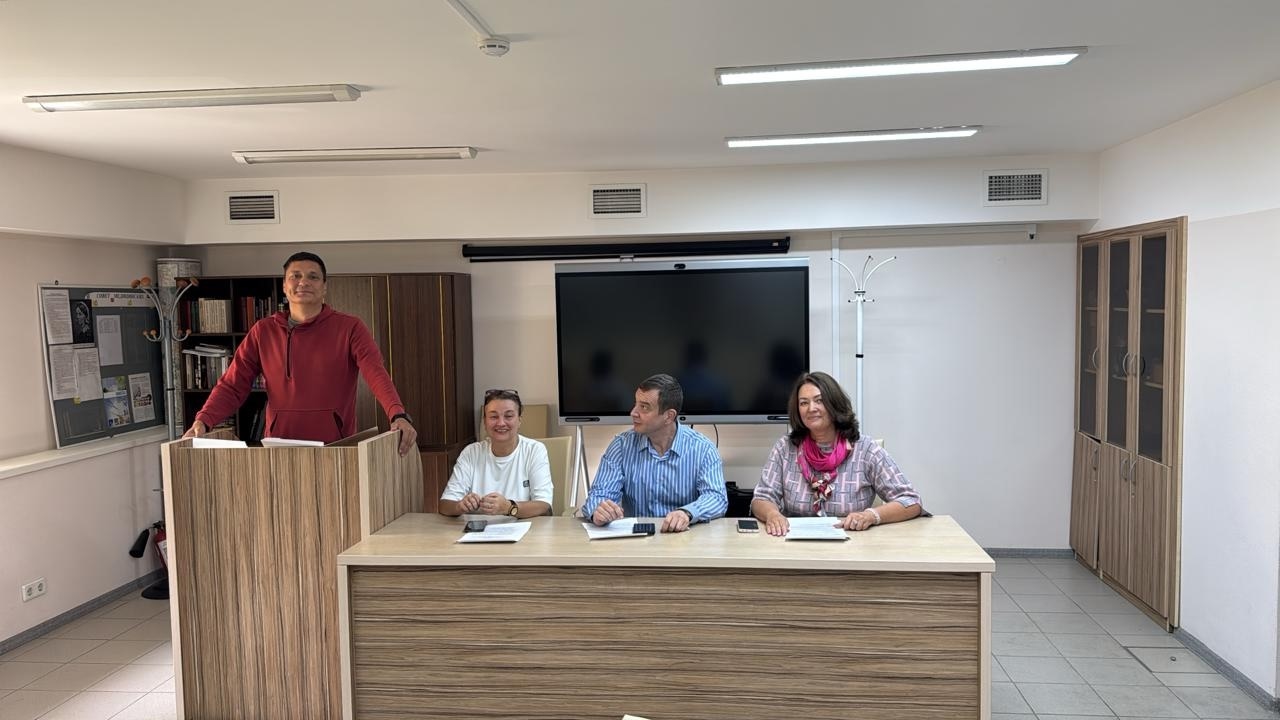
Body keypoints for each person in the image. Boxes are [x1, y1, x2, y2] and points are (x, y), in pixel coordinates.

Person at [182, 251, 417, 454]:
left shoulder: (350, 327)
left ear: (324, 287)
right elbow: (233, 384)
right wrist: (204, 420)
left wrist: (397, 414)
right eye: (295, 276)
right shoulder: (263, 331)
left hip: (337, 448)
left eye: (313, 277)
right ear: (285, 286)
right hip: (279, 448)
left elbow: (375, 372)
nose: (303, 282)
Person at [752, 371, 923, 537]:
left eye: (819, 400)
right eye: (803, 403)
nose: (811, 408)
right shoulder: (785, 447)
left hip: (854, 545)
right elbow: (762, 498)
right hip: (794, 545)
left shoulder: (865, 449)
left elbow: (910, 501)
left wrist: (871, 516)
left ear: (834, 404)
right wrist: (772, 514)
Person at [581, 373, 728, 532]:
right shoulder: (621, 446)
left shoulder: (703, 449)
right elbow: (599, 494)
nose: (633, 412)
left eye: (644, 407)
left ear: (669, 416)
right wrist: (599, 511)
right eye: (635, 404)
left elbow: (716, 498)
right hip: (637, 538)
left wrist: (687, 513)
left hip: (683, 538)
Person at [439, 388, 553, 518]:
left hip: (523, 528)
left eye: (508, 416)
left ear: (519, 420)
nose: (501, 423)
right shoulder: (471, 453)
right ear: (485, 421)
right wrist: (459, 506)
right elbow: (445, 505)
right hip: (477, 529)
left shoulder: (535, 450)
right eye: (493, 417)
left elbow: (544, 507)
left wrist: (509, 507)